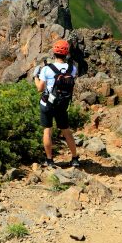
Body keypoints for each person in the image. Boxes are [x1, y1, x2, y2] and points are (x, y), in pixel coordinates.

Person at [34, 40, 80, 168]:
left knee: (47, 131)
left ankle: (49, 160)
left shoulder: (46, 69)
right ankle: (75, 158)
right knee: (66, 131)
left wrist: (35, 77)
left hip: (47, 104)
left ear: (54, 52)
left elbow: (40, 88)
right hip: (63, 104)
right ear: (67, 53)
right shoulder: (72, 69)